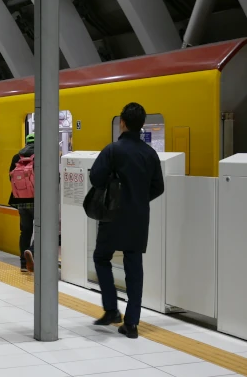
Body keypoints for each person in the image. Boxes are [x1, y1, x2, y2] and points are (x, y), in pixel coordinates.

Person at [89, 103, 164, 339]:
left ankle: (111, 310)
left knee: (102, 257)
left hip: (112, 216)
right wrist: (139, 200)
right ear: (142, 124)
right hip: (138, 218)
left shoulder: (113, 150)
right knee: (134, 267)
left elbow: (95, 177)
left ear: (122, 122)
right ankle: (131, 323)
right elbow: (158, 187)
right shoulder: (150, 154)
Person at [9, 133, 35, 272]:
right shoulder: (41, 156)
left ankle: (23, 264)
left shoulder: (16, 157)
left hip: (20, 201)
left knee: (25, 231)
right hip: (38, 201)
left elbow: (11, 179)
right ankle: (33, 252)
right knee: (45, 230)